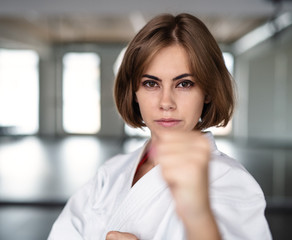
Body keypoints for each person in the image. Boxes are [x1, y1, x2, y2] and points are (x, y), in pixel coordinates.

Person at [48, 13, 272, 240]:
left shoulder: (232, 182)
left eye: (184, 84)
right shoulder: (111, 172)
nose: (166, 102)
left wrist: (199, 216)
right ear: (134, 93)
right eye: (151, 83)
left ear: (207, 92)